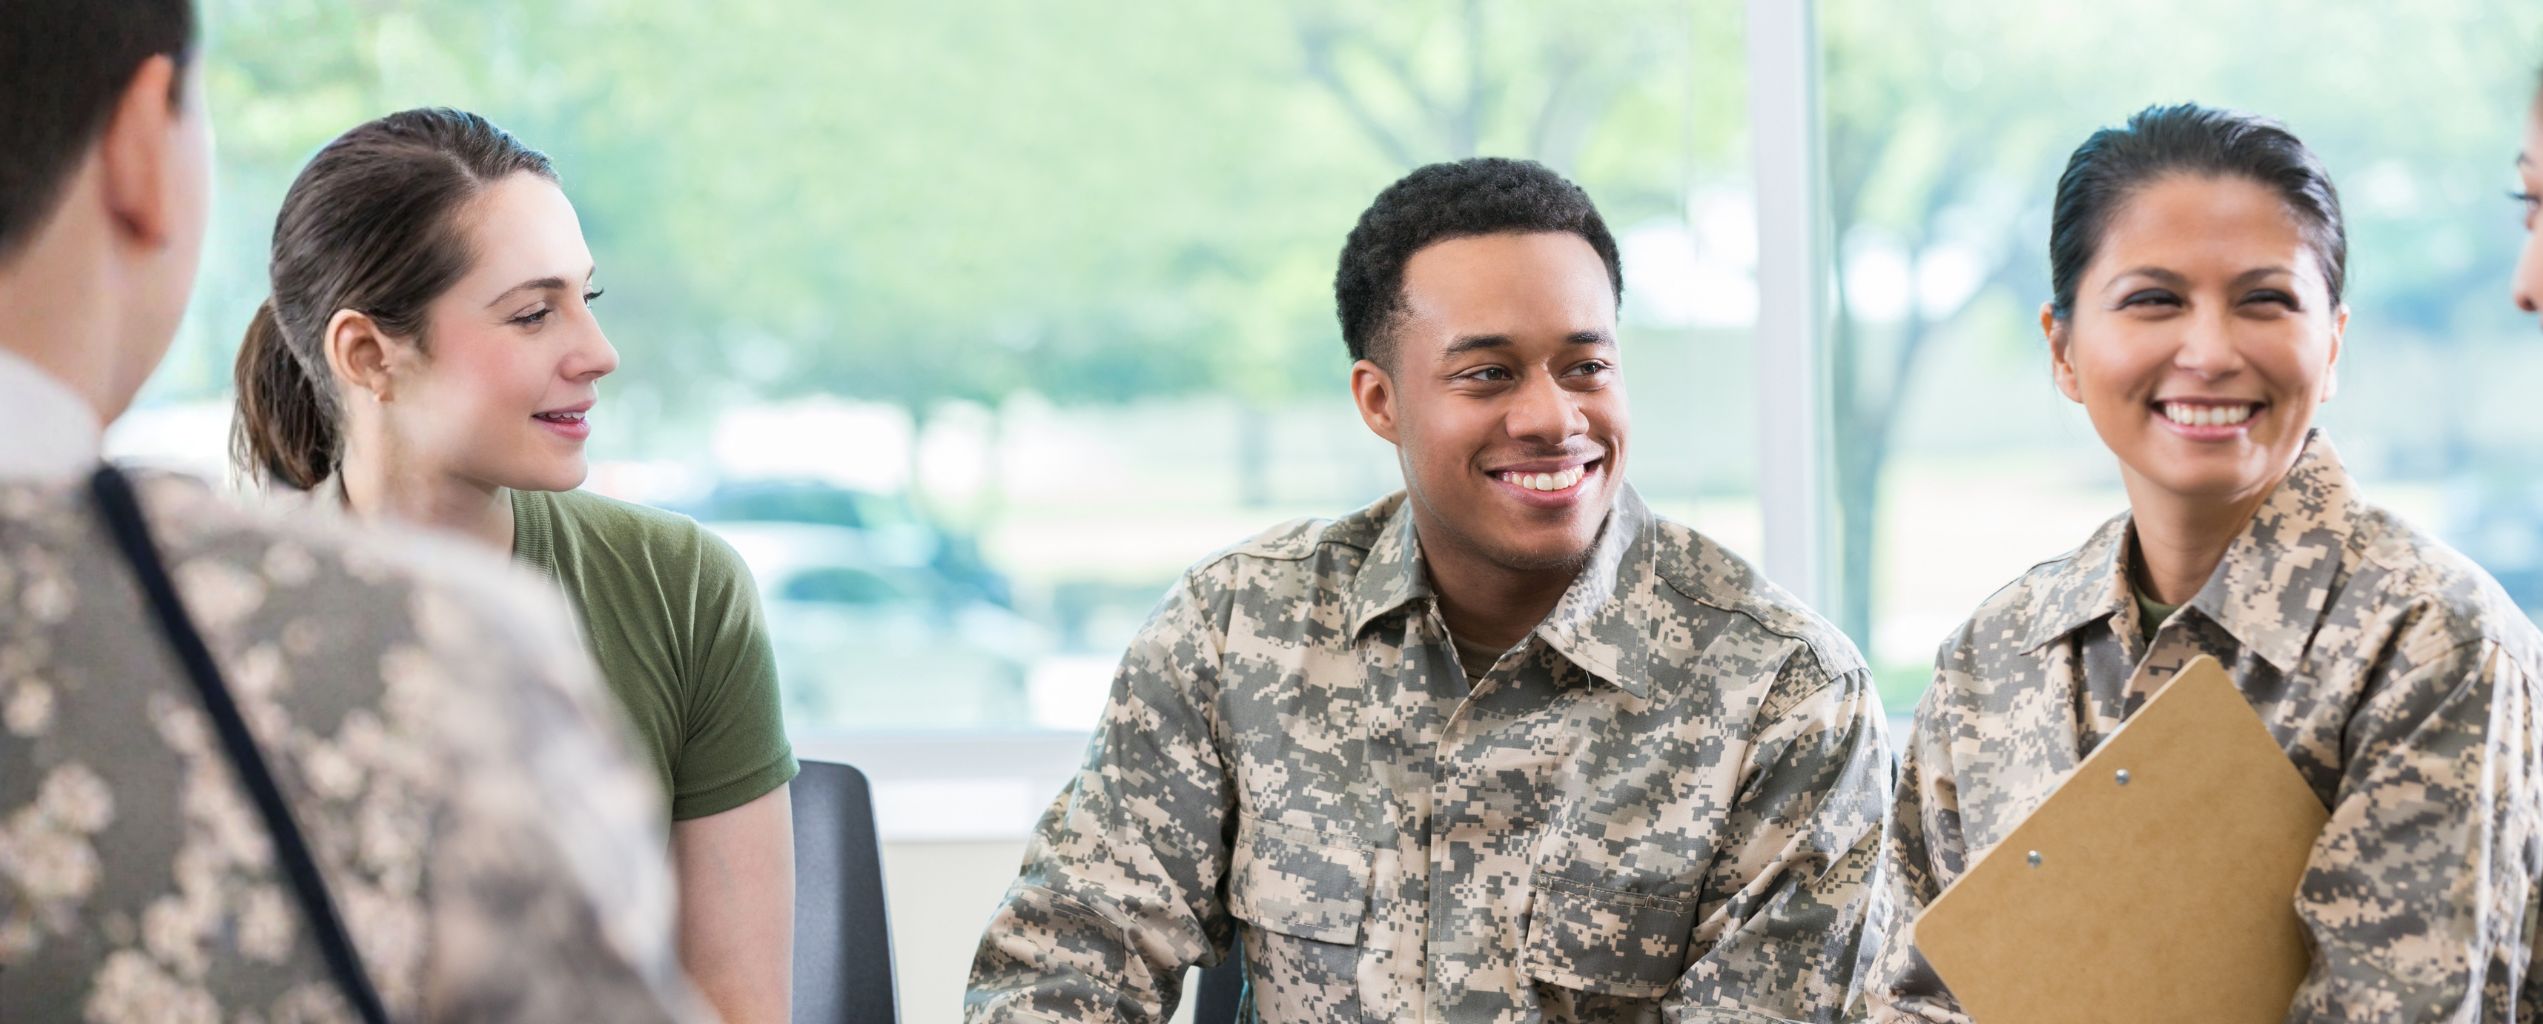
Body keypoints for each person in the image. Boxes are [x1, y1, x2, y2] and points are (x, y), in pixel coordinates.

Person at [966, 157, 1892, 1023]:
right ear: (1380, 401)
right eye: (1487, 374)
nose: (1551, 417)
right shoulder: (1238, 628)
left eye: (1586, 367)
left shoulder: (1785, 693)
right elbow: (1060, 965)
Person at [0, 2, 707, 1020]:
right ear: (141, 147)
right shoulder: (435, 650)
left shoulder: (643, 592)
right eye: (532, 308)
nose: (595, 352)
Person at [1868, 103, 2543, 1021]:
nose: (2211, 351)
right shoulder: (1991, 657)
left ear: (2332, 342)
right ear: (2062, 348)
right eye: (2154, 300)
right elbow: (1918, 999)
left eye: (2264, 300)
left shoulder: (2431, 644)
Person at [228, 106, 798, 1023]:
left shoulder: (682, 589)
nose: (598, 354)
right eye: (534, 314)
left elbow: (736, 1004)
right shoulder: (221, 621)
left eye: (587, 299)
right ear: (369, 354)